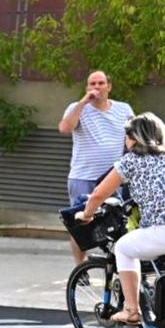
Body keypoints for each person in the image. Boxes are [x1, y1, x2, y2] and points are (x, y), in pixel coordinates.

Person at [75, 112, 165, 324]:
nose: (124, 140)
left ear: (134, 139)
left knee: (123, 248)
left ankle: (131, 310)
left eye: (126, 136)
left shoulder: (130, 162)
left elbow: (99, 194)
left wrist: (86, 214)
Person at [58, 70, 133, 264]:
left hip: (112, 177)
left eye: (100, 83)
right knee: (79, 224)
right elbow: (65, 128)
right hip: (82, 177)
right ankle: (80, 265)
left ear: (109, 86)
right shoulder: (77, 107)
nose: (96, 87)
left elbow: (134, 136)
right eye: (92, 84)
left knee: (117, 222)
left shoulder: (123, 109)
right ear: (87, 87)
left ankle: (117, 263)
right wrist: (83, 103)